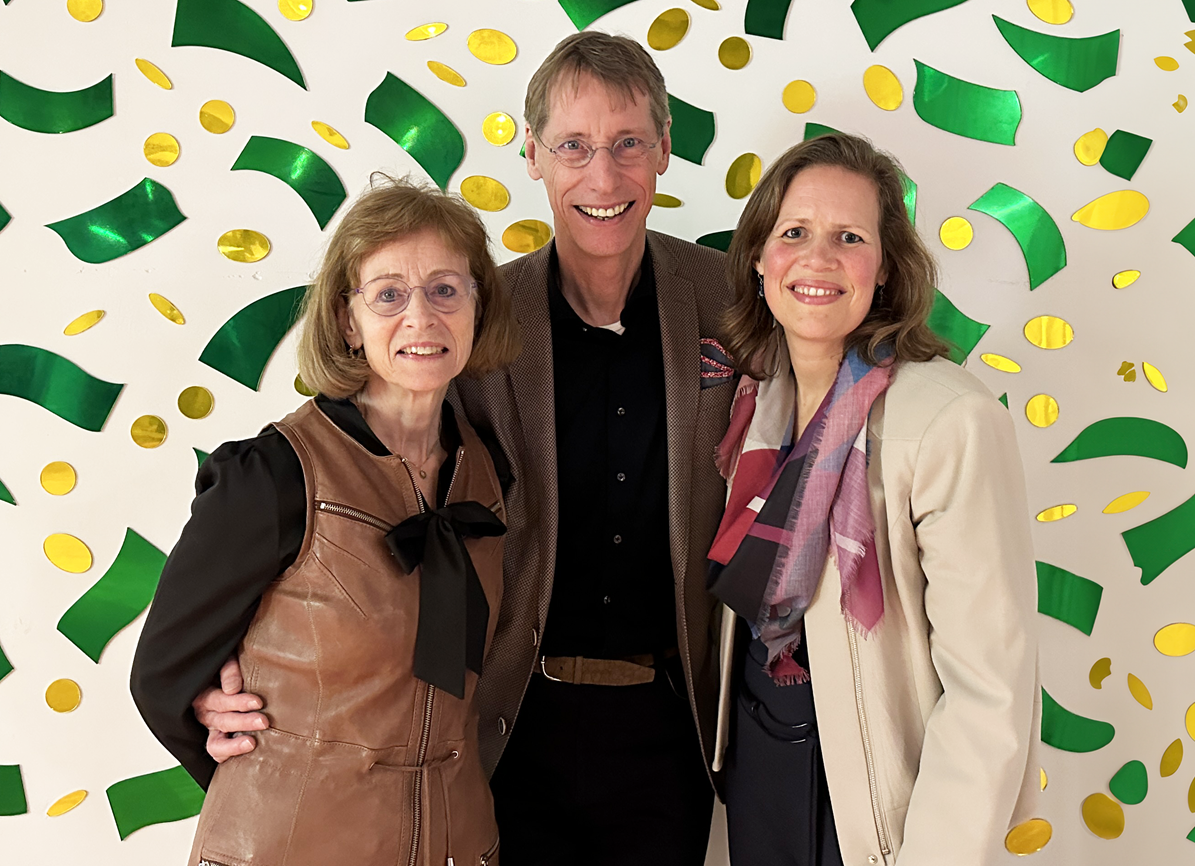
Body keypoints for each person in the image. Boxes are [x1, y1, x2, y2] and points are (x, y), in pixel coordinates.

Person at [190, 32, 735, 866]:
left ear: (665, 148)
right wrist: (222, 667)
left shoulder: (730, 298)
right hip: (506, 725)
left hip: (672, 725)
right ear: (534, 158)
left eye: (629, 143)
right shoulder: (476, 317)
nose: (603, 176)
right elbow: (357, 471)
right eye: (574, 147)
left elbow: (827, 393)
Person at [130, 176, 519, 866]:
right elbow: (164, 673)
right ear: (347, 320)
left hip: (457, 845)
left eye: (445, 289)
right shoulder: (274, 475)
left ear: (476, 306)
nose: (421, 317)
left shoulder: (487, 475)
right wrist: (219, 723)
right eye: (388, 294)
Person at [707, 133, 1041, 866]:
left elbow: (992, 695)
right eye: (793, 233)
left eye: (848, 237)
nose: (817, 259)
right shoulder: (755, 408)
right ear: (759, 257)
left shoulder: (950, 421)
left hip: (874, 815)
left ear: (884, 268)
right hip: (761, 778)